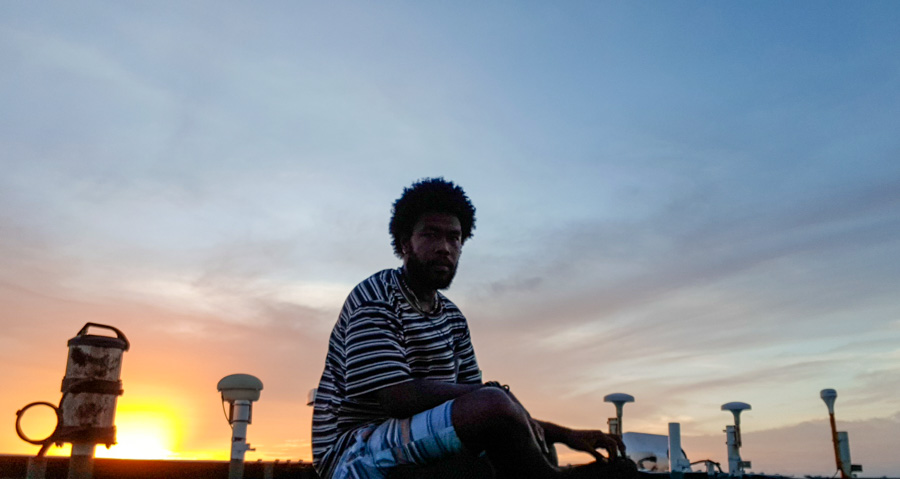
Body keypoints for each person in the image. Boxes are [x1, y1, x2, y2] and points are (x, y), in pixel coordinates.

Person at [311, 178, 635, 479]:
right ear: (404, 243)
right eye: (430, 234)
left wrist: (566, 435)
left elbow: (486, 412)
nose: (445, 247)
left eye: (454, 237)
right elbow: (397, 397)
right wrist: (496, 396)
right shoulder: (375, 296)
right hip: (353, 450)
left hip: (412, 439)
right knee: (493, 407)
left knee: (516, 440)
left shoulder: (452, 318)